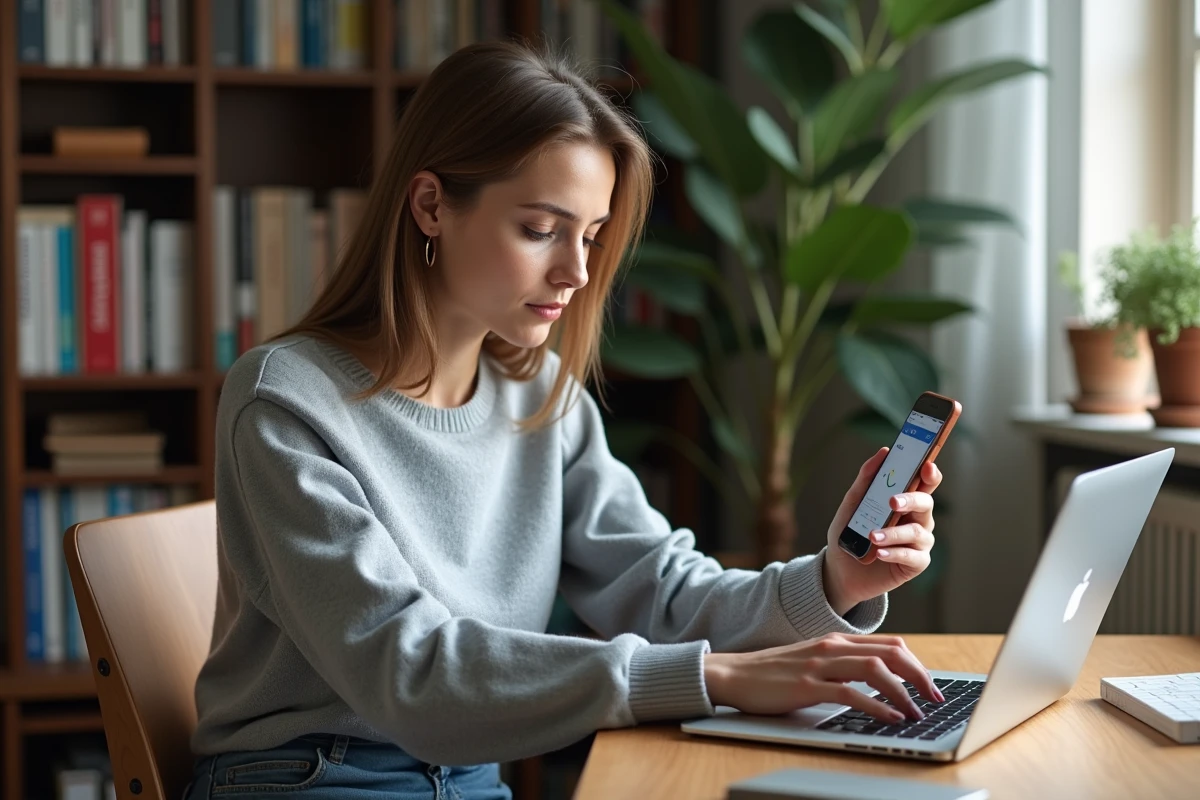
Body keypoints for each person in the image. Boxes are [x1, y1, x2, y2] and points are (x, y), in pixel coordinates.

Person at [182, 41, 944, 800]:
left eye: (590, 235)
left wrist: (835, 578)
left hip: (469, 779)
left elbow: (660, 590)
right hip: (308, 778)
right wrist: (714, 678)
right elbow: (410, 673)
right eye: (542, 229)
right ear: (431, 205)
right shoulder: (286, 401)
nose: (577, 272)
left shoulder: (541, 397)